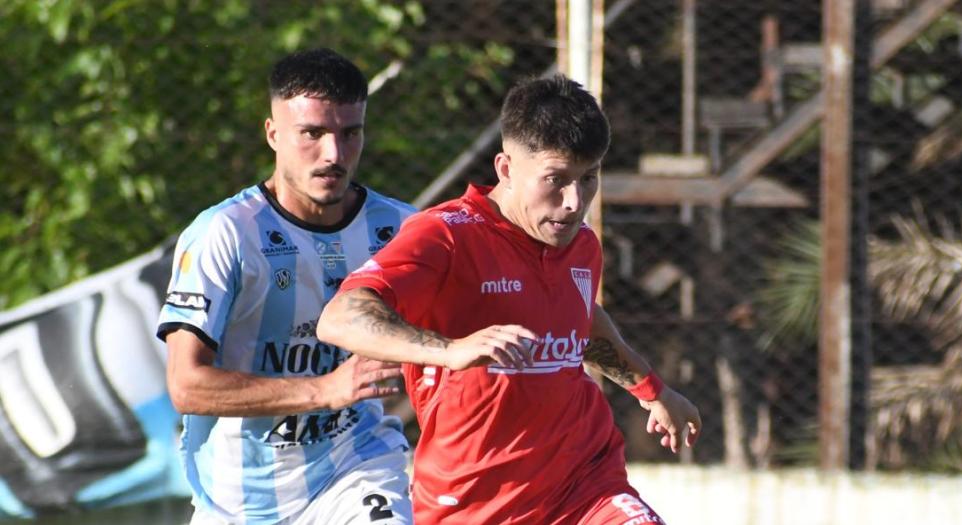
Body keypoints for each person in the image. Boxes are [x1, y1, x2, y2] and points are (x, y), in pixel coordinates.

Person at [317, 74, 702, 524]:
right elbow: (340, 318)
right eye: (556, 179)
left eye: (589, 178)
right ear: (505, 169)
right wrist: (451, 350)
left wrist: (651, 390)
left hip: (585, 487)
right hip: (472, 505)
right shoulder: (445, 235)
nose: (575, 201)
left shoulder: (580, 245)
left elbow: (579, 321)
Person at [156, 48, 415, 525]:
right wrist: (326, 389)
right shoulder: (224, 234)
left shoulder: (401, 229)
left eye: (349, 133)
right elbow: (187, 385)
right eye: (312, 133)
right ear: (273, 134)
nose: (334, 154)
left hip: (355, 470)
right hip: (236, 502)